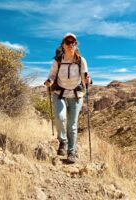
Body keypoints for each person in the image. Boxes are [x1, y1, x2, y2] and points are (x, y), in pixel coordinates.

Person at [44, 32, 90, 164]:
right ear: (63, 45)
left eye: (73, 42)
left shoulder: (81, 61)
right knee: (60, 117)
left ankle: (71, 152)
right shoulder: (58, 60)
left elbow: (85, 77)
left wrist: (88, 80)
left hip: (76, 95)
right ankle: (63, 142)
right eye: (68, 42)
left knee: (72, 125)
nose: (71, 45)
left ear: (76, 45)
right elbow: (52, 75)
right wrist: (49, 82)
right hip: (60, 93)